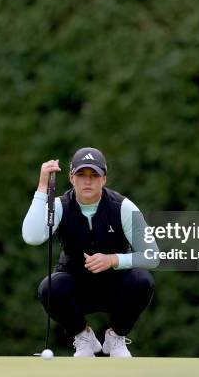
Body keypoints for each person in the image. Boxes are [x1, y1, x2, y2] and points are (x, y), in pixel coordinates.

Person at [22, 147, 158, 357]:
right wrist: (42, 187)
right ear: (71, 178)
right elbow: (31, 237)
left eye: (94, 175)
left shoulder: (123, 207)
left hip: (116, 287)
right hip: (76, 286)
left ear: (104, 179)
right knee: (50, 287)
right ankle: (83, 337)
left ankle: (116, 339)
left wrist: (113, 259)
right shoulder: (59, 206)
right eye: (81, 175)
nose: (88, 181)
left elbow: (152, 256)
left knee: (142, 281)